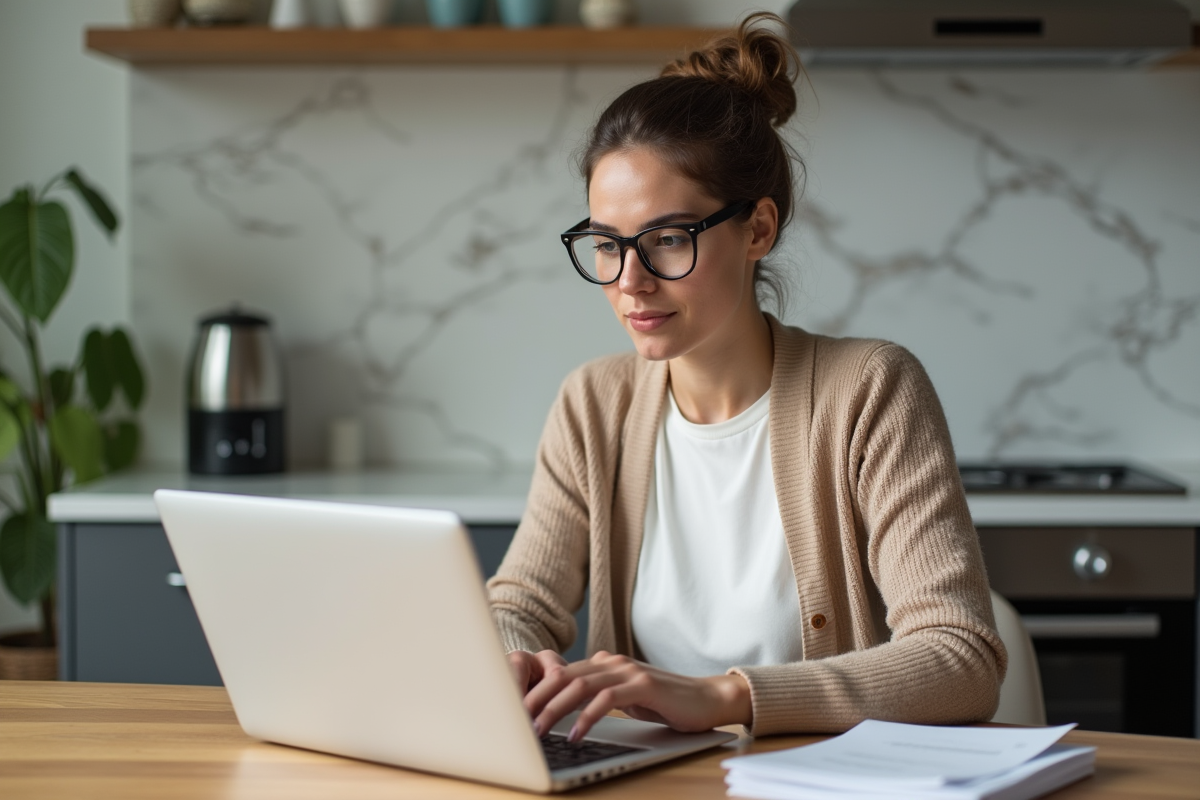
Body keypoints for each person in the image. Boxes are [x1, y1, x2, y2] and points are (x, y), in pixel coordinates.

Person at [486, 13, 1006, 743]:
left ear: (757, 229)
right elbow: (520, 601)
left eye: (667, 239)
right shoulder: (593, 404)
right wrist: (512, 653)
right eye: (607, 244)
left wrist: (726, 697)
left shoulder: (869, 390)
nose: (630, 280)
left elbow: (963, 659)